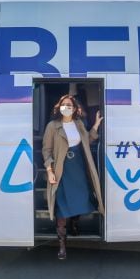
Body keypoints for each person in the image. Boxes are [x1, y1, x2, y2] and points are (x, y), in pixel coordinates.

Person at [42, 94, 105, 259]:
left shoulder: (79, 124)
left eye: (69, 105)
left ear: (75, 108)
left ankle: (75, 223)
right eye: (64, 104)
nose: (66, 107)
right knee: (62, 207)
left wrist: (96, 125)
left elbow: (88, 140)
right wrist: (49, 171)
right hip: (61, 170)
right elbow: (46, 151)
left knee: (79, 198)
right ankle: (62, 245)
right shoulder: (52, 126)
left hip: (78, 168)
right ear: (59, 107)